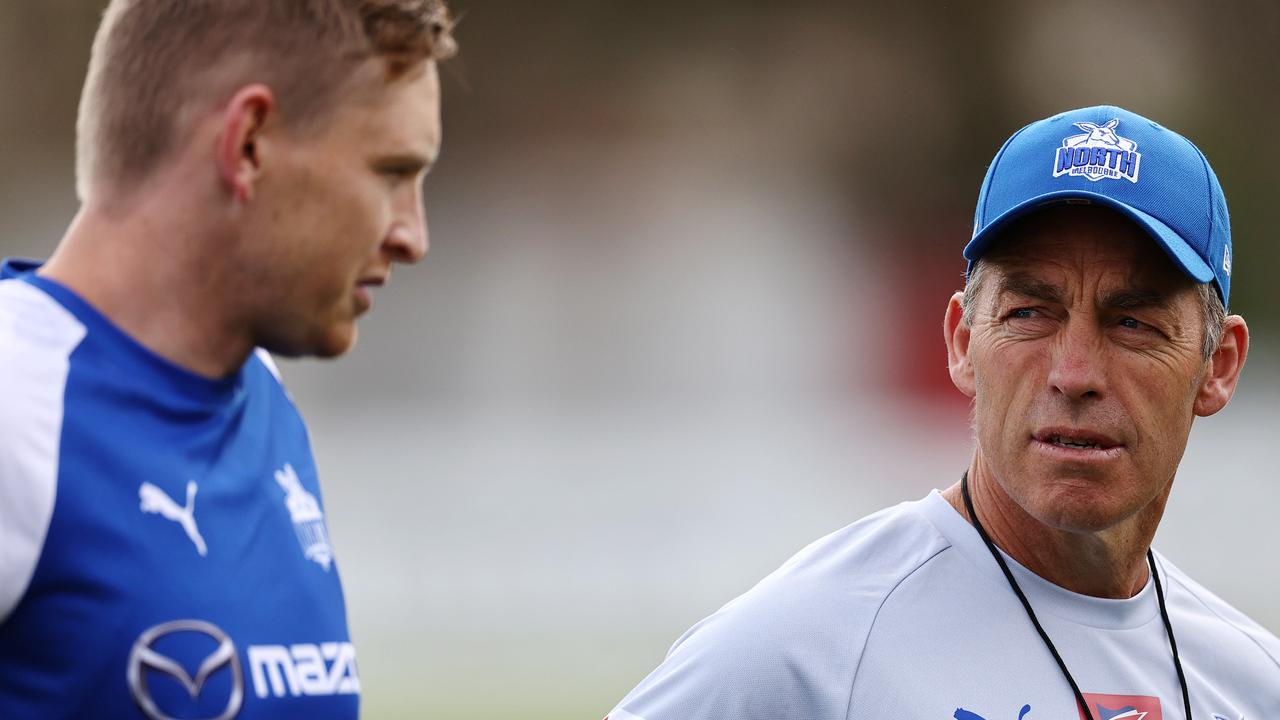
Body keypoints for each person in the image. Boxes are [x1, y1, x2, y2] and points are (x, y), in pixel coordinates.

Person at [608, 106, 1280, 720]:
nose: (1074, 374)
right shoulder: (801, 651)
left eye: (1132, 321)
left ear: (1217, 366)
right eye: (1029, 314)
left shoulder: (1253, 685)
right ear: (962, 342)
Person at [0, 1, 454, 718]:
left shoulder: (266, 403)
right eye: (391, 172)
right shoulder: (17, 404)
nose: (413, 236)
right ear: (246, 145)